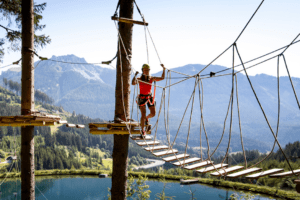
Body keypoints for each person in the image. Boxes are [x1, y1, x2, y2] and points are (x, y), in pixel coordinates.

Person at [132, 63, 165, 136]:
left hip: (149, 97)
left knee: (153, 113)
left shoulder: (151, 78)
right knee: (142, 115)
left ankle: (146, 118)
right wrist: (135, 75)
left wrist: (164, 69)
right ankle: (142, 131)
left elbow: (162, 78)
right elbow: (133, 83)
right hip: (142, 98)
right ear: (142, 71)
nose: (146, 71)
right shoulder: (140, 79)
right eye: (145, 70)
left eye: (148, 70)